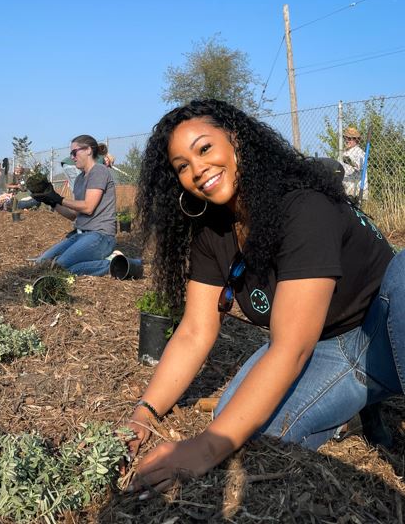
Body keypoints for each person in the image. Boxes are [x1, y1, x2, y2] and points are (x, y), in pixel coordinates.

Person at [124, 99, 404, 497]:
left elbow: (289, 348)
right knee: (243, 426)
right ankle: (353, 412)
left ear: (236, 140)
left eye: (204, 149)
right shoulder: (212, 231)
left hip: (385, 330)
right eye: (181, 166)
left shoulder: (303, 204)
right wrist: (144, 412)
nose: (196, 169)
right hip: (325, 346)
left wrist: (202, 448)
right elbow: (195, 331)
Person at [31, 136, 118, 276]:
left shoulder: (99, 171)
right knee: (42, 263)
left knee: (59, 266)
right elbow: (74, 215)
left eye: (74, 152)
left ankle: (115, 263)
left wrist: (58, 198)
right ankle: (95, 262)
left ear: (88, 150)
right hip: (80, 235)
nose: (72, 157)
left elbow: (88, 207)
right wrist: (51, 202)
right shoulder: (79, 179)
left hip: (101, 236)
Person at [341, 126, 368, 199]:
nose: (347, 141)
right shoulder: (344, 153)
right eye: (345, 138)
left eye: (349, 139)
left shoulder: (359, 152)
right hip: (346, 187)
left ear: (356, 140)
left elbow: (361, 166)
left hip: (356, 188)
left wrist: (350, 162)